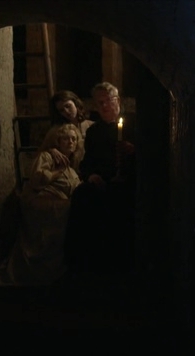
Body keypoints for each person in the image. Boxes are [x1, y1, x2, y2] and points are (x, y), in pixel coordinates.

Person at [0, 123, 83, 287]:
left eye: (74, 139)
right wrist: (57, 172)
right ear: (58, 141)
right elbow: (37, 179)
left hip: (60, 202)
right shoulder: (48, 157)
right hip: (42, 201)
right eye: (66, 138)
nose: (70, 142)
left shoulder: (71, 167)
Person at [63, 82, 136, 278]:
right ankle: (79, 264)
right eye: (99, 102)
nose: (103, 106)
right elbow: (87, 164)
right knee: (81, 195)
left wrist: (132, 151)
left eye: (107, 101)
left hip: (128, 181)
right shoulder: (94, 132)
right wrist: (91, 176)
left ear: (117, 101)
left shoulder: (134, 125)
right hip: (101, 181)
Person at [46, 90, 94, 170]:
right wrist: (51, 150)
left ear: (75, 104)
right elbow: (42, 151)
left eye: (68, 106)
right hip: (68, 171)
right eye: (62, 110)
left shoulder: (91, 126)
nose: (66, 111)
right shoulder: (57, 130)